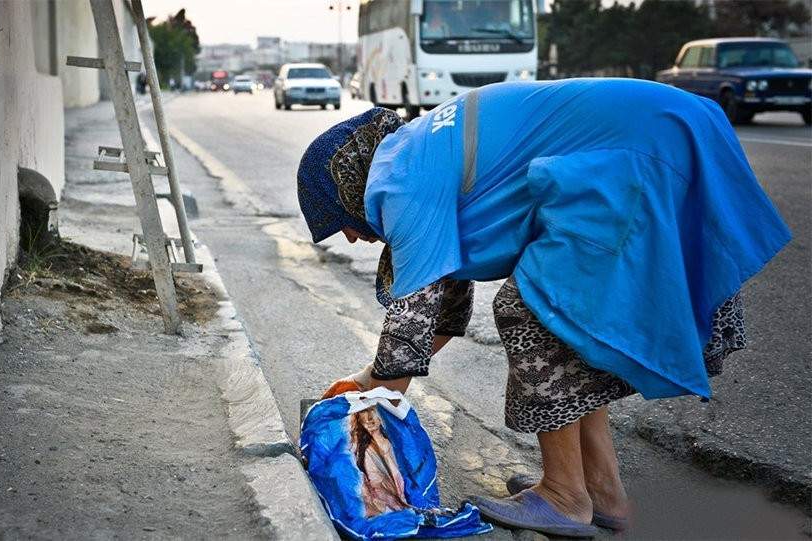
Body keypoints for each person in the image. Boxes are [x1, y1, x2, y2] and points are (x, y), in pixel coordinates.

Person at [296, 78, 791, 538]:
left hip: (646, 145)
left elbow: (411, 333)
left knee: (534, 306)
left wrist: (349, 414)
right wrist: (360, 385)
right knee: (568, 319)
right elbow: (442, 314)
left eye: (338, 219)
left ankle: (563, 495)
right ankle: (601, 491)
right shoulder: (414, 152)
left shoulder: (401, 179)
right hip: (667, 128)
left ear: (345, 184)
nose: (351, 235)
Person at [349, 407, 412, 517]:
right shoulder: (365, 448)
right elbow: (374, 478)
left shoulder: (388, 442)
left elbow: (396, 471)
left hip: (390, 491)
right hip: (379, 494)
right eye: (366, 423)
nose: (369, 422)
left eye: (372, 421)